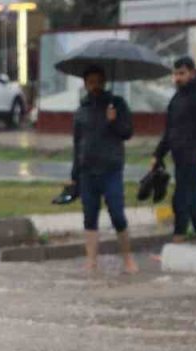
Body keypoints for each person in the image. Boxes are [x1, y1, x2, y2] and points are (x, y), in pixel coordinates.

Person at [71, 64, 138, 275]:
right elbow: (77, 144)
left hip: (111, 170)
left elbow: (127, 132)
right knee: (89, 217)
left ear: (105, 82)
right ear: (85, 84)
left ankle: (128, 258)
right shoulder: (82, 110)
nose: (95, 86)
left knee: (117, 214)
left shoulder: (116, 104)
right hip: (87, 172)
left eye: (98, 82)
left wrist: (114, 120)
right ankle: (91, 261)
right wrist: (75, 176)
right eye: (91, 82)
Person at [151, 55, 196, 242]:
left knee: (183, 199)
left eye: (182, 73)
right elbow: (171, 130)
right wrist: (158, 154)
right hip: (180, 157)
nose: (178, 78)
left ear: (192, 73)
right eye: (175, 74)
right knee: (190, 201)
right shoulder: (177, 98)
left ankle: (179, 237)